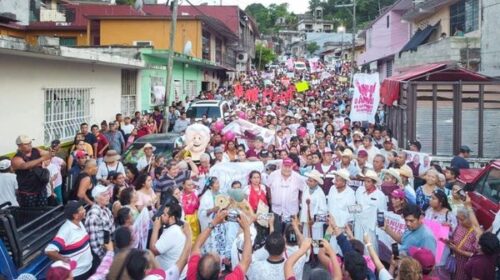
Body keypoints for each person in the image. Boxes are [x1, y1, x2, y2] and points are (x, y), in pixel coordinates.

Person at [187, 210, 252, 280]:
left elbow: (196, 245)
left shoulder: (192, 275)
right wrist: (247, 228)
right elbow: (246, 260)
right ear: (219, 273)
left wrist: (214, 222)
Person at [45, 201, 93, 280]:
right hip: (77, 274)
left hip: (87, 268)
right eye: (81, 209)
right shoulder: (66, 231)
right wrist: (64, 260)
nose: (84, 210)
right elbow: (49, 250)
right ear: (75, 215)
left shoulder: (79, 223)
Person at [11, 135, 52, 207]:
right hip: (27, 192)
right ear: (19, 146)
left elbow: (48, 154)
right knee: (30, 213)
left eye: (30, 142)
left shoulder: (36, 150)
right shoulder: (16, 158)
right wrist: (41, 159)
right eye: (26, 143)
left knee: (43, 210)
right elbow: (24, 166)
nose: (30, 144)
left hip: (41, 189)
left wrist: (51, 152)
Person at [267, 158, 305, 232]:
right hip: (276, 211)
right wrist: (270, 198)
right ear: (281, 166)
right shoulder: (273, 175)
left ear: (292, 167)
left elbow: (303, 190)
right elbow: (268, 186)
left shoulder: (298, 177)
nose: (287, 169)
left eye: (289, 167)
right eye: (285, 166)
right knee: (276, 234)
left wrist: (299, 200)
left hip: (292, 212)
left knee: (291, 236)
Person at [444, 207, 480, 280]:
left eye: (462, 219)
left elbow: (475, 255)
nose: (459, 222)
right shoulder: (460, 225)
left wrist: (458, 251)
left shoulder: (477, 233)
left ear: (470, 219)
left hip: (465, 265)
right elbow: (454, 239)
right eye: (458, 219)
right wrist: (449, 241)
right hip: (454, 261)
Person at [149, 201, 186, 271]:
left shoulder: (173, 232)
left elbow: (153, 251)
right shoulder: (178, 225)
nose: (161, 216)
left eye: (164, 215)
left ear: (172, 218)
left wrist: (155, 229)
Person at [355, 169, 387, 244]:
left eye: (368, 181)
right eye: (365, 181)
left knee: (370, 249)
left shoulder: (380, 195)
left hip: (371, 228)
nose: (365, 183)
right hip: (358, 225)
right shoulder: (359, 190)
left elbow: (382, 212)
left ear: (374, 183)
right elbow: (356, 206)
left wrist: (380, 228)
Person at [198, 177, 228, 258]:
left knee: (221, 243)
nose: (218, 185)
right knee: (212, 245)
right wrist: (212, 210)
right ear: (211, 186)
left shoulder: (220, 193)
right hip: (211, 224)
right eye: (216, 183)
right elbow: (201, 213)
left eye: (218, 183)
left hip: (220, 224)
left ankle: (221, 262)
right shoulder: (206, 197)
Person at [85, 184, 115, 263]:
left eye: (108, 194)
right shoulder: (93, 215)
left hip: (110, 250)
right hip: (102, 257)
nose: (108, 196)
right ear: (97, 199)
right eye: (104, 195)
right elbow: (94, 243)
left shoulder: (105, 209)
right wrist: (105, 258)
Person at [300, 170, 327, 237]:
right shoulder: (306, 189)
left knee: (316, 245)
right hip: (306, 223)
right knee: (306, 243)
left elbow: (323, 212)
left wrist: (314, 219)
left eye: (311, 181)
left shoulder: (320, 194)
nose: (308, 182)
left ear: (316, 182)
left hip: (315, 227)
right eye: (308, 180)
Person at [181, 179, 201, 243]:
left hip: (195, 218)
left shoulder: (196, 192)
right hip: (185, 220)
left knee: (196, 238)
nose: (191, 186)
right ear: (183, 186)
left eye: (192, 184)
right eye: (189, 185)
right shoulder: (180, 195)